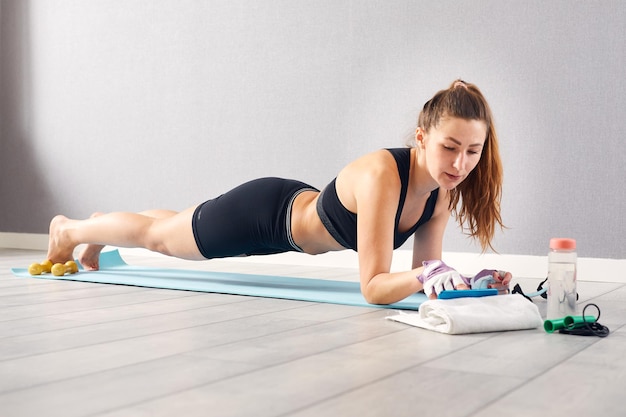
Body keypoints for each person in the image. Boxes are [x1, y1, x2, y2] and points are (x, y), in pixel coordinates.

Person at [46, 79, 511, 305]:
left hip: (290, 220)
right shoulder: (382, 177)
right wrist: (434, 273)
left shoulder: (440, 194)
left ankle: (103, 226)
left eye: (473, 151)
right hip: (265, 215)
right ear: (421, 138)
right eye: (450, 147)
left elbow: (422, 275)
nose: (460, 164)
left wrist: (472, 285)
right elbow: (374, 288)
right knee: (162, 240)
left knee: (169, 226)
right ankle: (70, 229)